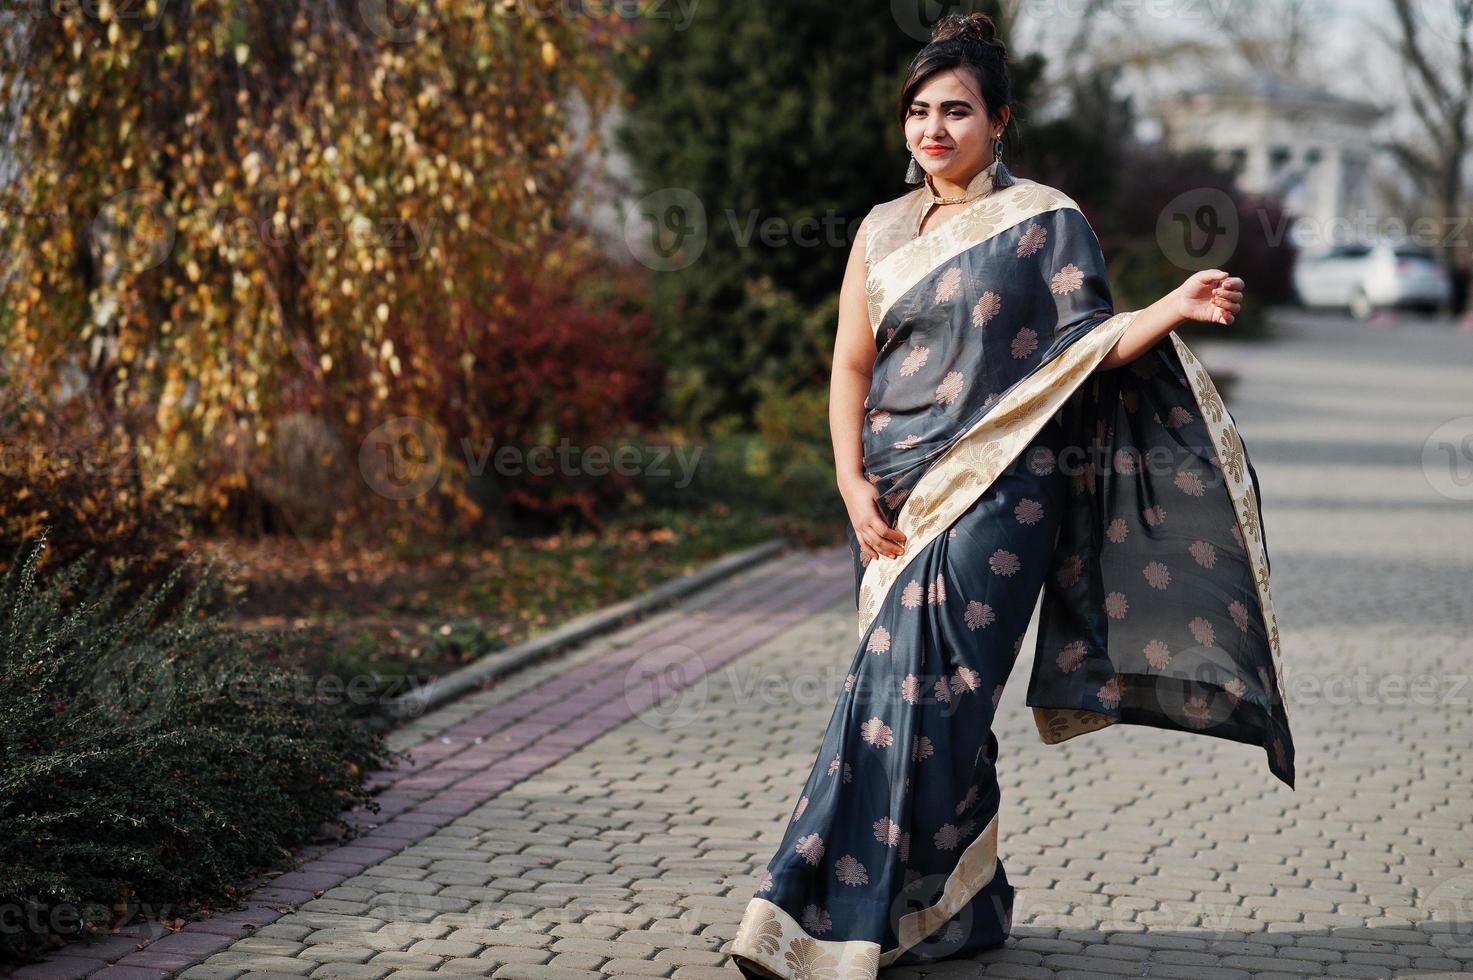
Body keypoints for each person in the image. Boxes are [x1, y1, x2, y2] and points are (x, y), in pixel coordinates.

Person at [727, 12, 1295, 980]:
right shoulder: (879, 230)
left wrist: (1173, 306)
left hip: (1005, 498)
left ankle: (826, 907)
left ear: (999, 121)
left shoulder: (1046, 221)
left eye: (956, 110)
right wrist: (850, 484)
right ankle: (959, 900)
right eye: (918, 111)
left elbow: (1087, 350)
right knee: (891, 689)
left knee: (939, 692)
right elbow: (850, 369)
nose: (933, 130)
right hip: (901, 495)